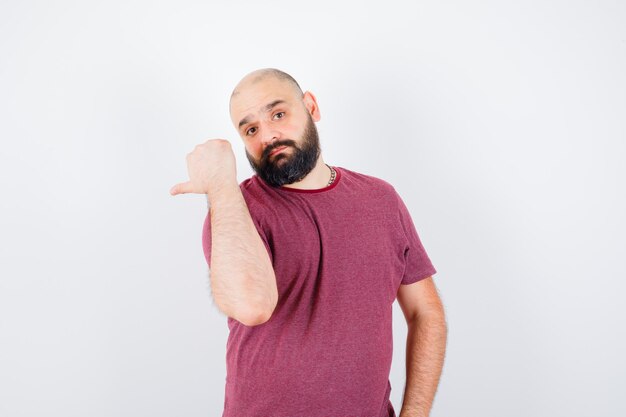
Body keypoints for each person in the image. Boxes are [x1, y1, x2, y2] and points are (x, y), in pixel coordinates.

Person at [170, 68, 447, 417]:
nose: (268, 135)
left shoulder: (381, 200)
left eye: (278, 114)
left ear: (311, 107)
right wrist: (220, 186)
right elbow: (252, 307)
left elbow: (425, 313)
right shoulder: (235, 213)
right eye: (250, 129)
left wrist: (415, 413)